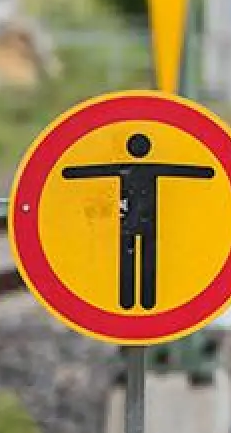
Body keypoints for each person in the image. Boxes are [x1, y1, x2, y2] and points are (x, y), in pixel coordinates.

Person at [61, 132, 215, 310]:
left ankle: (130, 301)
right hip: (146, 221)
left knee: (131, 259)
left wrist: (67, 173)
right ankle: (145, 301)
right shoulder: (151, 168)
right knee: (146, 259)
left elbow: (94, 170)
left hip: (127, 222)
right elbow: (183, 170)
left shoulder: (123, 168)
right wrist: (209, 172)